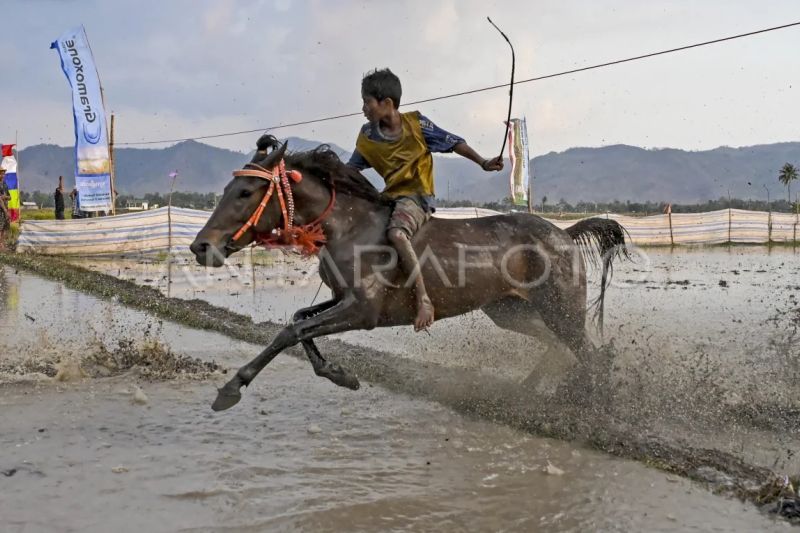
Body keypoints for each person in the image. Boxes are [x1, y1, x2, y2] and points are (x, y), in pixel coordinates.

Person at [347, 68, 503, 331]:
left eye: (367, 102)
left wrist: (483, 162)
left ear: (386, 103)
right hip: (388, 198)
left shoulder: (417, 124)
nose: (363, 108)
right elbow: (351, 169)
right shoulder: (367, 136)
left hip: (416, 198)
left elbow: (453, 142)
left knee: (397, 234)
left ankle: (424, 299)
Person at [0, 170, 10, 249]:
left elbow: (10, 197)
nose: (3, 175)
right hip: (1, 209)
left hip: (5, 207)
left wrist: (5, 197)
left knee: (4, 227)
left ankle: (2, 243)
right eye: (1, 174)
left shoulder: (5, 184)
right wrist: (5, 211)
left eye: (3, 174)